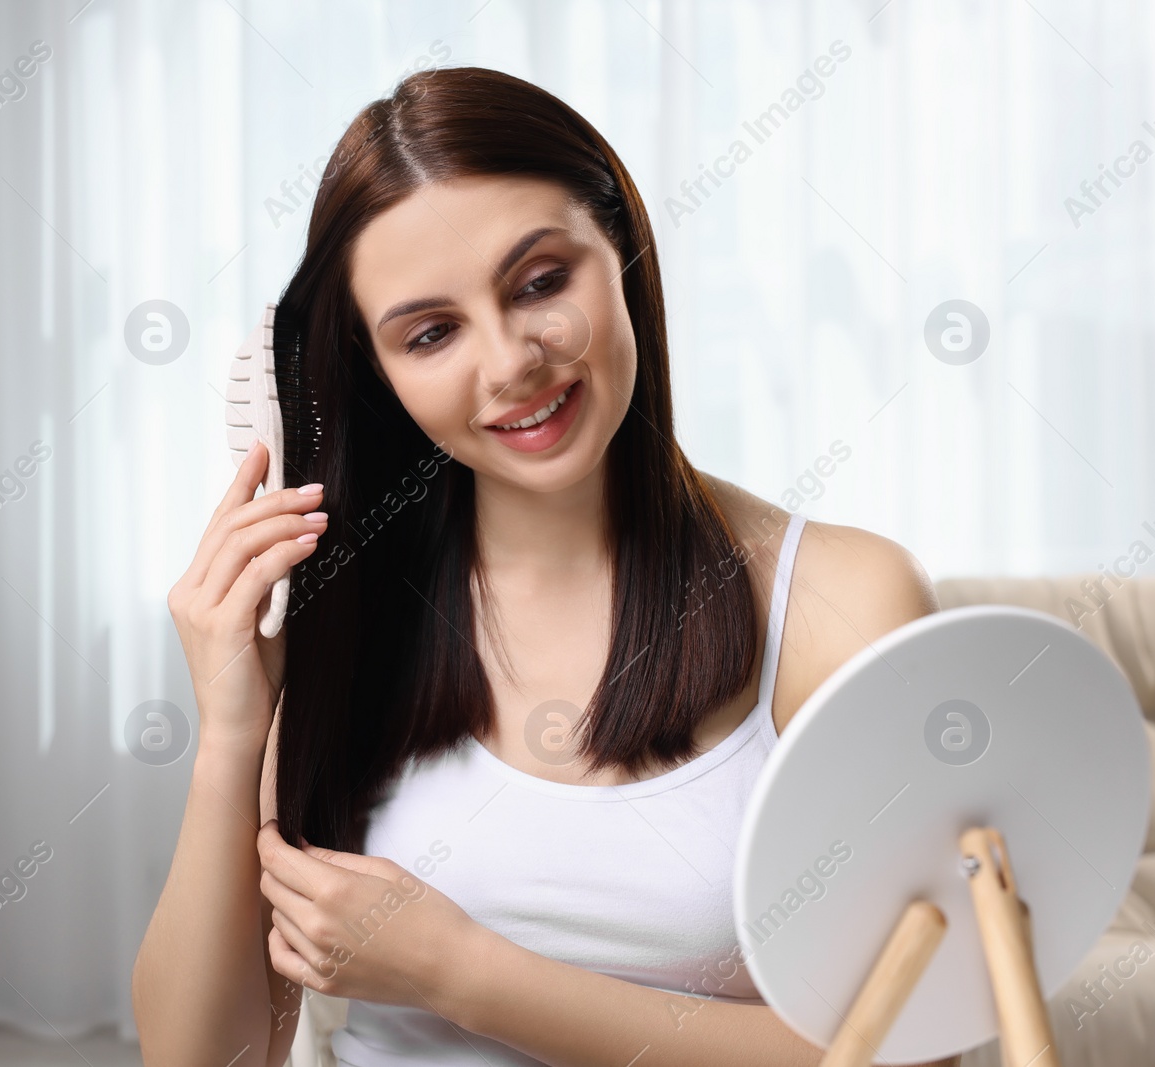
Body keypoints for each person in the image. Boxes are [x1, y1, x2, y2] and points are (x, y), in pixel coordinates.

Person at [134, 65, 956, 1067]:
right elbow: (198, 1054)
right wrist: (229, 729)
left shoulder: (842, 601)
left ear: (620, 249)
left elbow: (910, 1050)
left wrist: (463, 973)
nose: (511, 360)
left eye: (539, 282)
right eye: (431, 332)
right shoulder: (338, 614)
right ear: (377, 371)